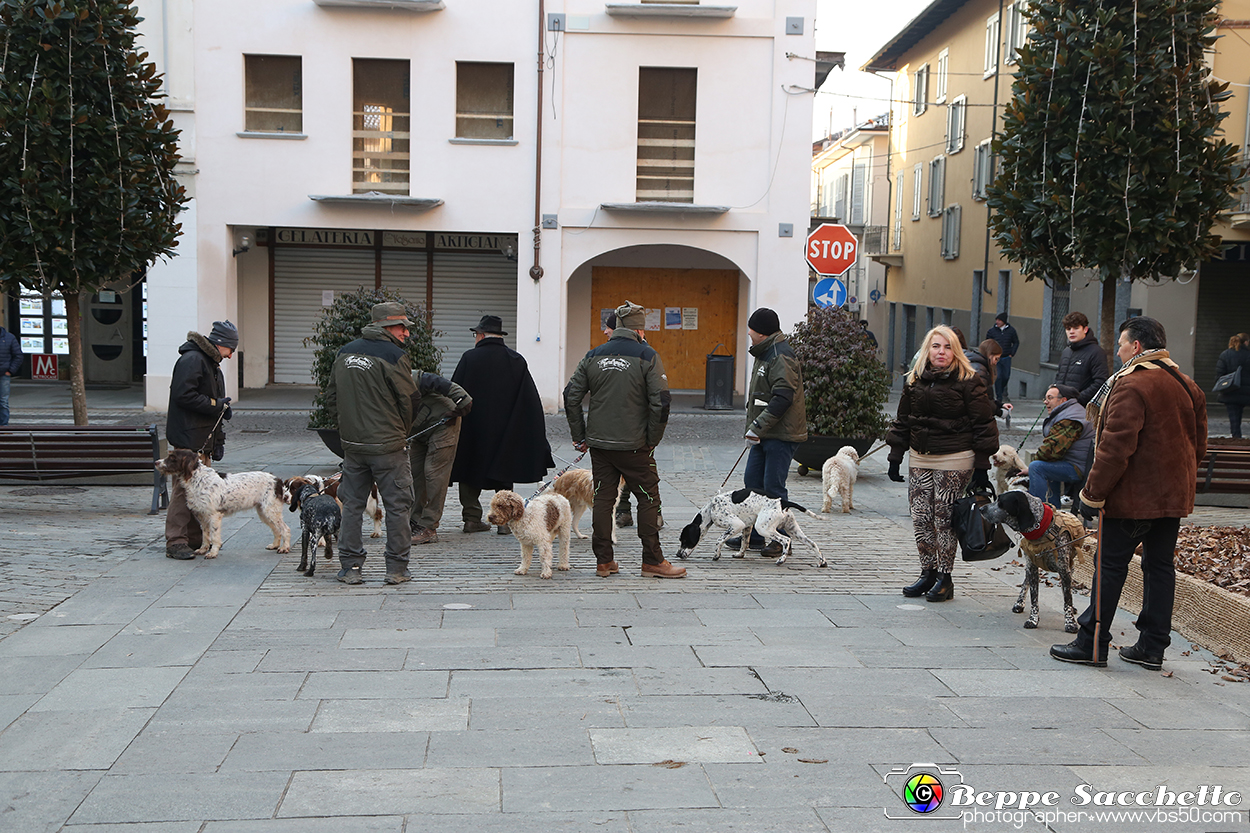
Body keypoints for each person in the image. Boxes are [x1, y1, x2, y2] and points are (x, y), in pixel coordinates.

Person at [1051, 316, 1206, 670]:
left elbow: (1115, 448)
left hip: (1132, 498)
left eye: (1121, 345)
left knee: (1110, 567)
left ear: (1136, 347)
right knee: (1160, 568)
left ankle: (1092, 644)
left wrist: (1092, 494)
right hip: (1172, 499)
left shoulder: (1131, 385)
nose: (1118, 352)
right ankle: (1152, 648)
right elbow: (1198, 445)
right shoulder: (1186, 384)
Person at [565, 300, 680, 578]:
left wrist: (580, 436)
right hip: (635, 446)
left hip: (601, 445)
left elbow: (571, 395)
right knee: (648, 498)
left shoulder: (593, 355)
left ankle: (604, 561)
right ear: (639, 330)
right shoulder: (647, 355)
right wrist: (652, 438)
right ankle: (653, 560)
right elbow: (661, 402)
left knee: (603, 498)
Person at [886, 325, 999, 602]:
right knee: (921, 517)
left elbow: (984, 424)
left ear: (956, 351)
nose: (941, 352)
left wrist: (982, 468)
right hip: (920, 456)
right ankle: (927, 572)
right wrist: (895, 455)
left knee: (943, 519)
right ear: (928, 349)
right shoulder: (915, 380)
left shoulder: (969, 380)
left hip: (955, 457)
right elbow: (903, 419)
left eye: (948, 347)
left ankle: (945, 578)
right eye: (936, 346)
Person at [325, 302, 421, 585]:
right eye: (401, 326)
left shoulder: (344, 352)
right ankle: (397, 569)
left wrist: (347, 429)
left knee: (352, 504)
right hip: (388, 446)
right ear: (385, 326)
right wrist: (401, 431)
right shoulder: (394, 355)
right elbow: (410, 399)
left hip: (354, 446)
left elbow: (331, 397)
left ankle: (351, 568)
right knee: (398, 505)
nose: (405, 332)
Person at [450, 315, 553, 534]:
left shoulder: (469, 358)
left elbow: (455, 391)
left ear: (480, 335)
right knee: (504, 468)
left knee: (469, 469)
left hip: (473, 427)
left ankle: (471, 518)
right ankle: (504, 522)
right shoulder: (516, 360)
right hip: (506, 428)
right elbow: (530, 399)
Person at [164, 320, 237, 560]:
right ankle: (176, 541)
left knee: (199, 492)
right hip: (189, 437)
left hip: (198, 436)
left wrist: (220, 407)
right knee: (182, 491)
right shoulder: (194, 359)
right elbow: (183, 394)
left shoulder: (207, 361)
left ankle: (196, 539)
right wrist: (216, 405)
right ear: (221, 344)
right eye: (231, 349)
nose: (231, 355)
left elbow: (205, 397)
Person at [738, 307, 807, 556]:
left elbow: (782, 398)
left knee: (773, 489)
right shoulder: (766, 352)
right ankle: (756, 535)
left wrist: (757, 426)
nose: (748, 333)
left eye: (752, 329)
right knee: (753, 483)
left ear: (762, 333)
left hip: (780, 434)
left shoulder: (780, 355)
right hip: (765, 433)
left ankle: (780, 540)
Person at [407, 372, 473, 545]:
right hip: (419, 429)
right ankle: (415, 520)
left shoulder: (402, 376)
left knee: (434, 474)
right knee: (415, 472)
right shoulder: (373, 393)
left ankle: (429, 526)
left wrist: (461, 399)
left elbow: (434, 381)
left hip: (444, 422)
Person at [1027, 384, 1093, 506]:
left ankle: (1036, 512)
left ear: (1063, 400)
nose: (1046, 402)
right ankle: (1053, 510)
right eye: (1045, 398)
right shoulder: (1070, 412)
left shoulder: (1070, 418)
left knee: (1037, 467)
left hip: (1078, 467)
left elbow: (1051, 450)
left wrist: (1029, 468)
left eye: (1050, 398)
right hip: (1074, 462)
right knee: (1046, 465)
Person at [601, 312, 634, 529]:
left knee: (634, 472)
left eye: (608, 327)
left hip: (630, 424)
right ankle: (622, 511)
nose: (605, 331)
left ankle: (626, 510)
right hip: (613, 423)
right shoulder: (607, 352)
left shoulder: (642, 354)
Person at [1053, 311, 1109, 406]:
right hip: (1062, 406)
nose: (1071, 332)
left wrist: (1079, 399)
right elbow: (1059, 377)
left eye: (1076, 328)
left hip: (1082, 408)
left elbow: (1100, 382)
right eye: (1068, 329)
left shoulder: (1096, 352)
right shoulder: (1066, 351)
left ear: (1085, 329)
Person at [1214, 332, 1250, 438]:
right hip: (1247, 393)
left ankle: (1236, 438)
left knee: (1234, 418)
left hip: (1230, 391)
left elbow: (1220, 373)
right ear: (1246, 342)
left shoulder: (1225, 355)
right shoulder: (1248, 355)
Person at [985, 313, 1019, 402]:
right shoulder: (992, 331)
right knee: (998, 376)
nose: (997, 322)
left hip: (1006, 357)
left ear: (1004, 321)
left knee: (1006, 376)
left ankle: (1002, 389)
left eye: (999, 320)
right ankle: (999, 396)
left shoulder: (1011, 331)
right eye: (996, 320)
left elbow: (1016, 342)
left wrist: (1012, 353)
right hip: (996, 358)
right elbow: (987, 343)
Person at [0, 322, 21, 426]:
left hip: (3, 374)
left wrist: (10, 371)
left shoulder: (9, 337)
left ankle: (3, 426)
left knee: (3, 401)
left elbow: (18, 355)